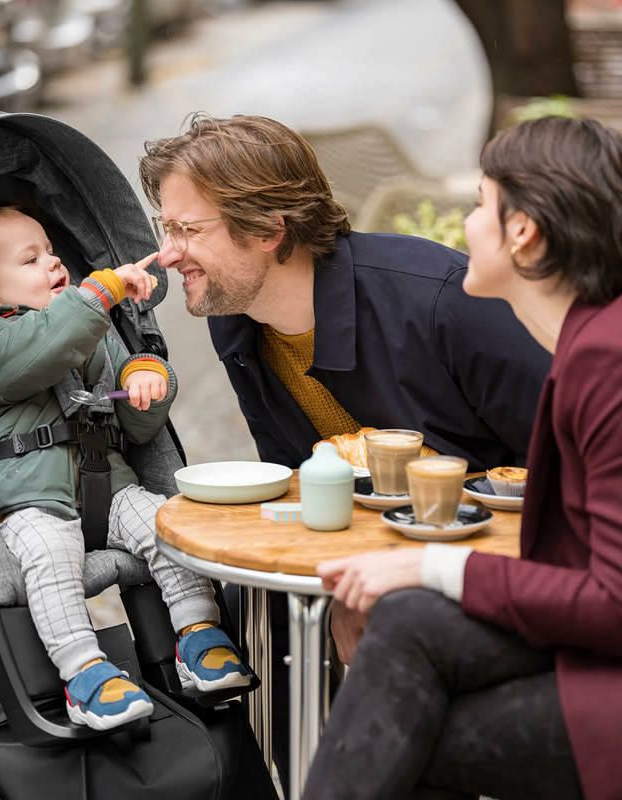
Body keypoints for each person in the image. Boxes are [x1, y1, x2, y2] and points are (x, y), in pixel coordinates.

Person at [138, 113, 551, 785]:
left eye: (188, 229)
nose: (167, 252)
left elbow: (572, 478)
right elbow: (302, 487)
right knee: (231, 614)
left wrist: (410, 579)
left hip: (499, 584)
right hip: (380, 575)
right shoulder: (241, 325)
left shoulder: (445, 303)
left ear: (271, 230)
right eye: (167, 227)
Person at [303, 116, 622, 800]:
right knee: (407, 626)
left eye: (480, 204)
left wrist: (431, 563)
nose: (468, 223)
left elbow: (613, 601)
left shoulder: (607, 358)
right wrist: (418, 581)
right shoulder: (590, 343)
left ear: (523, 231)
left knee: (403, 736)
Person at [0, 206, 251, 732]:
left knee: (169, 522)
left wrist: (147, 380)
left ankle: (200, 636)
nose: (54, 263)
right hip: (29, 501)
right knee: (50, 555)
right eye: (31, 260)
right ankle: (85, 672)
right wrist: (99, 294)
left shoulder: (93, 327)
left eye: (52, 252)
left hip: (108, 482)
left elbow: (137, 427)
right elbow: (37, 352)